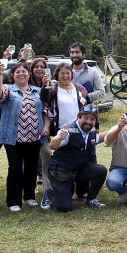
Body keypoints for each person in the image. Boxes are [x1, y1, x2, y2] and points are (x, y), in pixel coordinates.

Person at [0, 60, 46, 212]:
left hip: (34, 137)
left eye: (24, 71)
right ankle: (13, 201)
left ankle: (29, 196)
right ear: (13, 75)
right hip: (14, 137)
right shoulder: (8, 89)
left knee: (31, 168)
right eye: (18, 72)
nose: (21, 74)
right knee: (15, 168)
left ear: (29, 74)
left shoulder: (37, 90)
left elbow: (45, 110)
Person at [39, 62, 88, 209]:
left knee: (80, 158)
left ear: (72, 74)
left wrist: (93, 127)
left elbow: (88, 109)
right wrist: (47, 127)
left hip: (80, 130)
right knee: (58, 162)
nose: (65, 76)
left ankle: (81, 190)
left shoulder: (80, 89)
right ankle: (52, 190)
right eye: (62, 73)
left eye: (68, 73)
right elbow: (46, 107)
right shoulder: (52, 90)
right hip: (61, 131)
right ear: (57, 75)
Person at [47, 107, 107, 212]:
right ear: (79, 117)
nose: (88, 121)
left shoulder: (91, 132)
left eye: (92, 119)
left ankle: (91, 199)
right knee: (65, 208)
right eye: (86, 118)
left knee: (100, 170)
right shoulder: (67, 131)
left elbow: (100, 138)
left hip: (76, 170)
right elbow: (52, 146)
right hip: (61, 172)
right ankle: (51, 193)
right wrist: (59, 137)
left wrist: (119, 127)